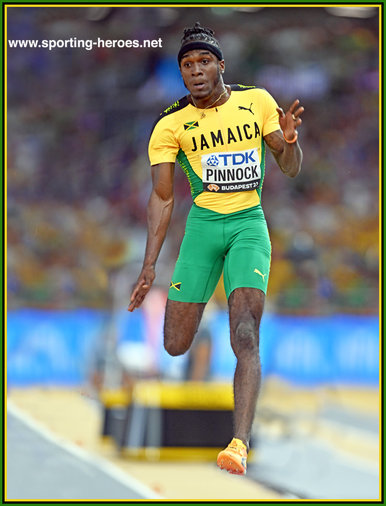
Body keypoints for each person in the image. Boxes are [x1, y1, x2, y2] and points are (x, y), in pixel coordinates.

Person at [128, 22, 304, 475]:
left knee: (245, 332)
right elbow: (163, 198)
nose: (196, 71)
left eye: (204, 61)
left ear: (221, 65)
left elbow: (289, 167)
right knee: (173, 345)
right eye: (187, 65)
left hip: (248, 223)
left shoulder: (258, 102)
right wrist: (149, 267)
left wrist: (288, 142)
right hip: (204, 227)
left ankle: (238, 443)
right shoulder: (169, 124)